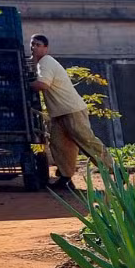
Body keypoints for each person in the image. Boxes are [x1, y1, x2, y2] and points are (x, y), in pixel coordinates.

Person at [29, 34, 115, 191]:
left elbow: (42, 84)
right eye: (32, 44)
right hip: (59, 113)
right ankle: (65, 179)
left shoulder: (46, 62)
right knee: (59, 145)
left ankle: (116, 171)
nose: (34, 47)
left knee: (87, 141)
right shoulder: (40, 63)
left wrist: (26, 84)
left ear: (46, 48)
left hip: (71, 110)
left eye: (38, 44)